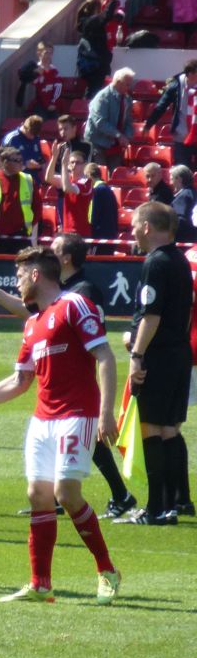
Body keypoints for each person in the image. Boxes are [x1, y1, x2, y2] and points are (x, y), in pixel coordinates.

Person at [0, 246, 121, 605]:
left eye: (22, 275)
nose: (19, 281)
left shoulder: (74, 305)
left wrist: (106, 412)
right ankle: (40, 584)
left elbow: (104, 354)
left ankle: (107, 570)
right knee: (37, 495)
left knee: (66, 493)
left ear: (36, 275)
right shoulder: (32, 324)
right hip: (43, 420)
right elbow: (19, 382)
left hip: (77, 414)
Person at [51, 233, 137, 517]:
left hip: (79, 372)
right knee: (77, 434)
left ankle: (120, 495)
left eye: (54, 249)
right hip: (66, 371)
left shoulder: (83, 290)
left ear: (66, 258)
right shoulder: (67, 287)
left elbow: (94, 339)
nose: (49, 252)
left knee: (85, 434)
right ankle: (117, 495)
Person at [124, 202, 195, 525]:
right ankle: (178, 502)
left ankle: (155, 508)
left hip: (159, 355)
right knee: (169, 430)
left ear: (148, 227)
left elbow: (151, 316)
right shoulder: (179, 259)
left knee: (150, 427)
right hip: (179, 354)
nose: (133, 231)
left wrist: (136, 354)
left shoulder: (155, 263)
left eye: (135, 225)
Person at [0, 147, 41, 254]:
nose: (20, 163)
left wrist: (30, 225)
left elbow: (37, 206)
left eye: (21, 160)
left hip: (20, 236)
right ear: (5, 162)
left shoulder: (28, 180)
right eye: (16, 160)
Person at [143, 59, 197, 171]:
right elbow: (161, 106)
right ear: (190, 74)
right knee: (182, 170)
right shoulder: (176, 86)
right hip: (182, 136)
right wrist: (149, 124)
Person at [84, 67, 135, 168]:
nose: (129, 87)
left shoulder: (127, 99)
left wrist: (127, 136)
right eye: (127, 84)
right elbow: (99, 122)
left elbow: (128, 121)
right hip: (98, 143)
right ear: (118, 82)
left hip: (115, 145)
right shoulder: (102, 98)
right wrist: (118, 135)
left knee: (115, 174)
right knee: (99, 173)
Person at [44, 146, 95, 236]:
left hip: (80, 232)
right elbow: (48, 178)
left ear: (85, 164)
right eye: (72, 162)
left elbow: (67, 188)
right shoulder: (68, 178)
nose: (74, 165)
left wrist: (64, 165)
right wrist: (54, 157)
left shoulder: (86, 182)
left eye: (78, 163)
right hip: (67, 230)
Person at [76, 0, 116, 99]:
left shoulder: (85, 22)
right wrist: (113, 0)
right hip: (95, 65)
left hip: (89, 64)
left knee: (92, 89)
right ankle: (88, 110)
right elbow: (106, 16)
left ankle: (87, 108)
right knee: (94, 91)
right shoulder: (93, 21)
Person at [17, 41, 61, 119]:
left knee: (55, 123)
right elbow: (22, 75)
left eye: (51, 53)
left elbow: (58, 88)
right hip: (38, 105)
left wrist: (52, 103)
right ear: (39, 53)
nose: (48, 56)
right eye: (46, 53)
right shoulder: (33, 68)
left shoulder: (54, 70)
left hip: (52, 104)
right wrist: (34, 72)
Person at [2, 116, 47, 181]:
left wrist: (40, 165)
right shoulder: (13, 139)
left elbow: (39, 158)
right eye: (31, 134)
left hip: (33, 179)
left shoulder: (36, 138)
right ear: (25, 128)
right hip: (15, 179)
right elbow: (4, 163)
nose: (33, 137)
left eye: (35, 135)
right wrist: (24, 165)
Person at [169, 166, 197, 243]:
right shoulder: (193, 193)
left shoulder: (184, 196)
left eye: (171, 179)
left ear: (179, 179)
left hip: (182, 239)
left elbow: (180, 219)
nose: (170, 182)